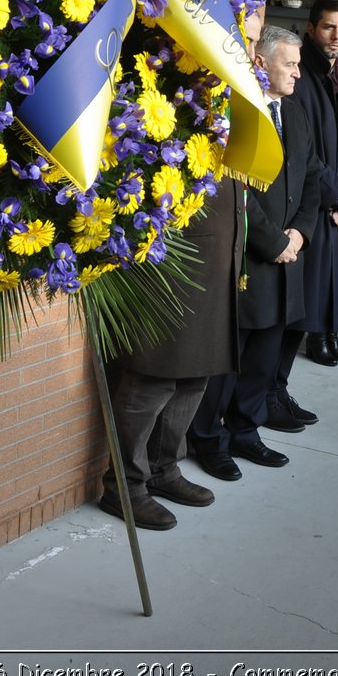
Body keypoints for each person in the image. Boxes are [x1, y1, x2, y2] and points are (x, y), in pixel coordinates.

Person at [188, 26, 320, 476]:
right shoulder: (239, 114)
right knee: (230, 356)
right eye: (290, 64)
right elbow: (237, 189)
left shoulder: (296, 114)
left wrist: (300, 232)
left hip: (289, 255)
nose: (298, 73)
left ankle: (246, 430)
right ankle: (208, 438)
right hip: (250, 255)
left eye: (299, 64)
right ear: (261, 63)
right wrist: (274, 241)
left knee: (266, 354)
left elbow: (313, 179)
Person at [99, 180, 239, 528]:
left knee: (196, 371)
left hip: (217, 249)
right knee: (152, 372)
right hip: (170, 247)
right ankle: (125, 486)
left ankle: (164, 468)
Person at [282, 0, 338, 374]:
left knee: (334, 281)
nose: (336, 35)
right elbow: (302, 151)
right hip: (311, 203)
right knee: (304, 297)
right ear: (311, 27)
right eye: (329, 26)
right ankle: (283, 377)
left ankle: (328, 334)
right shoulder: (298, 77)